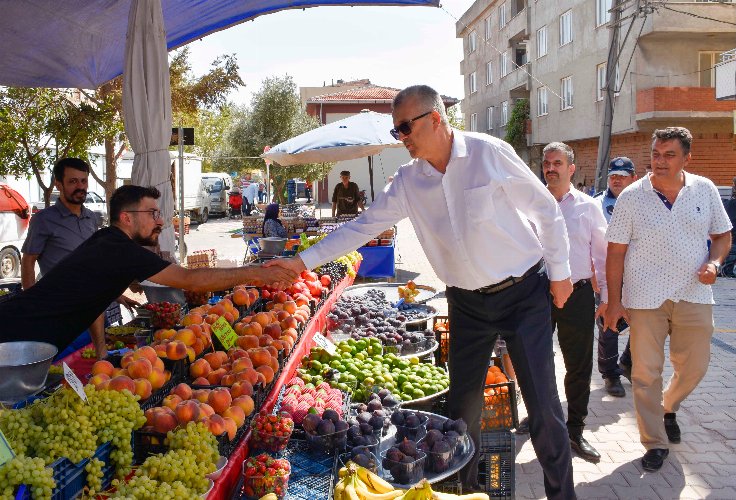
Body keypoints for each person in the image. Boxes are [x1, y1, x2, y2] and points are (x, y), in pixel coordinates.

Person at [265, 85, 575, 499]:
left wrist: (561, 272)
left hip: (523, 293)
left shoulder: (488, 153)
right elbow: (364, 226)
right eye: (396, 131)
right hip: (467, 304)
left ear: (436, 118)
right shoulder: (409, 181)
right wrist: (302, 262)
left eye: (405, 127)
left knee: (544, 409)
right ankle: (466, 493)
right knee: (462, 413)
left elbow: (545, 209)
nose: (402, 138)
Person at [0, 185, 298, 353]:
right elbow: (188, 281)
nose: (161, 221)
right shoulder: (122, 250)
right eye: (153, 213)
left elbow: (92, 298)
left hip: (22, 331)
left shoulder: (106, 241)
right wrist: (256, 273)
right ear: (127, 217)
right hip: (16, 335)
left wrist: (102, 349)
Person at [604, 126, 732, 472]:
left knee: (696, 366)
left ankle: (669, 405)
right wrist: (612, 301)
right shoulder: (632, 196)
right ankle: (655, 442)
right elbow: (615, 253)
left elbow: (722, 235)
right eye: (656, 154)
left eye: (669, 155)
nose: (660, 161)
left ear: (687, 158)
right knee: (646, 373)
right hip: (645, 297)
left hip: (694, 293)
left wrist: (715, 263)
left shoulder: (704, 190)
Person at [541, 142, 608, 463]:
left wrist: (607, 297)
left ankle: (575, 430)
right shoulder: (531, 205)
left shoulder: (588, 207)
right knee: (535, 362)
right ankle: (539, 419)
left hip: (578, 295)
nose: (551, 168)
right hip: (536, 295)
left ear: (571, 169)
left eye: (557, 163)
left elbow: (602, 255)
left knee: (578, 366)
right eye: (546, 163)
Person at [21, 158, 110, 358]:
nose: (80, 187)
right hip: (58, 308)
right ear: (58, 184)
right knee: (60, 365)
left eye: (83, 181)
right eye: (73, 182)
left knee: (91, 361)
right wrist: (30, 301)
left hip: (91, 308)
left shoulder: (91, 218)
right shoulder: (43, 220)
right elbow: (28, 260)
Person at [593, 157, 639, 395]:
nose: (617, 180)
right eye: (613, 176)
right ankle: (610, 373)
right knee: (609, 324)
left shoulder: (645, 203)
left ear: (634, 177)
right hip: (608, 273)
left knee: (641, 323)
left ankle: (628, 363)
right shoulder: (597, 204)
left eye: (622, 176)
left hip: (640, 275)